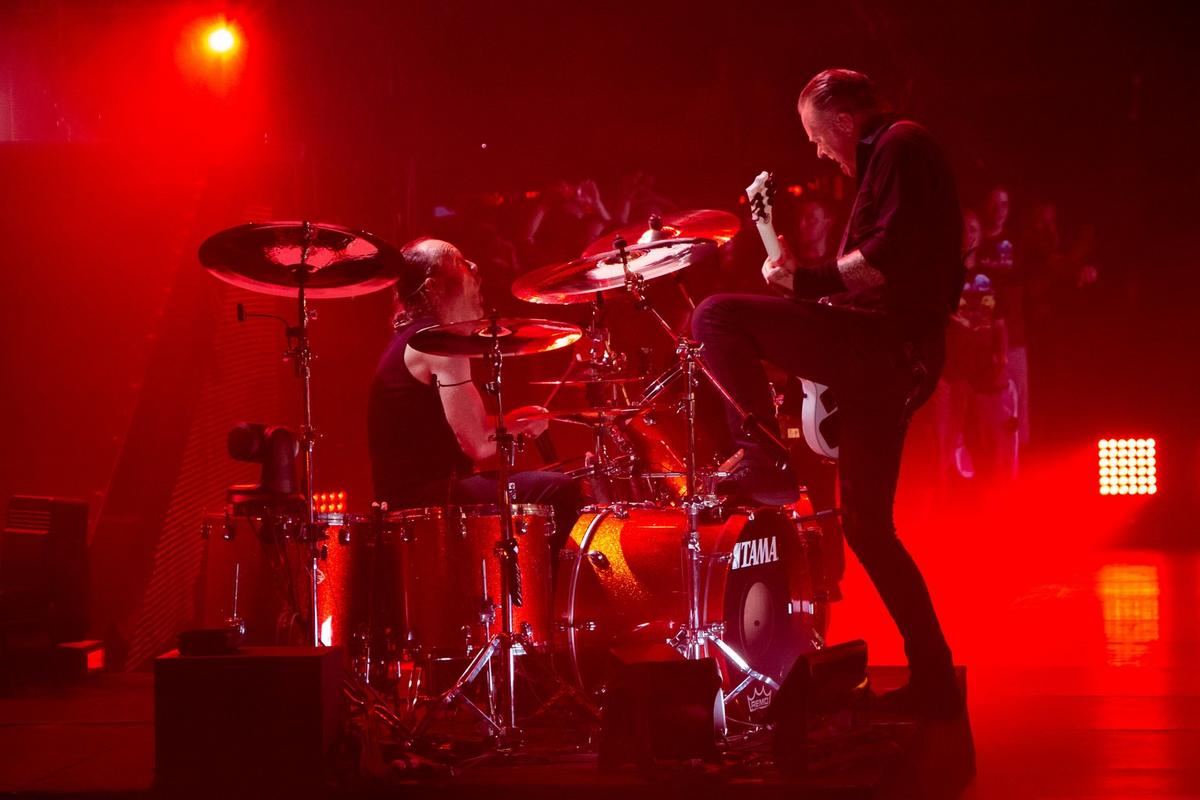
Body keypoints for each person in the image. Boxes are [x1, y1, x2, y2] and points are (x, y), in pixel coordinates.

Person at [691, 69, 963, 717]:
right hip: (891, 358)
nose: (817, 151)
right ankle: (933, 677)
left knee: (715, 317)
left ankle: (763, 456)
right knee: (867, 528)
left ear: (843, 121)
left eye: (817, 136)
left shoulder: (900, 145)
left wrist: (807, 283)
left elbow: (887, 259)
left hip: (883, 346)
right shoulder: (890, 158)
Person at [367, 238, 584, 542]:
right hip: (426, 501)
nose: (474, 266)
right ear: (433, 287)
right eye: (459, 261)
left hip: (417, 495)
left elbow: (459, 429)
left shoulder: (413, 340)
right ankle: (546, 575)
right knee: (560, 489)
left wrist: (514, 421)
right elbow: (478, 445)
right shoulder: (436, 343)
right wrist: (518, 428)